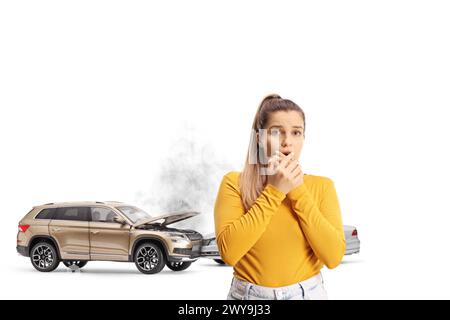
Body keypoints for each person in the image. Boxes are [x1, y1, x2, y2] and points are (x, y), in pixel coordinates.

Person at [214, 94, 345, 300]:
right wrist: (274, 191)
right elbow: (229, 254)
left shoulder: (323, 187)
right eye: (276, 132)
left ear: (303, 138)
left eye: (296, 133)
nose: (287, 142)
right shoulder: (234, 184)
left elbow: (333, 257)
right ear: (258, 138)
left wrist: (297, 189)